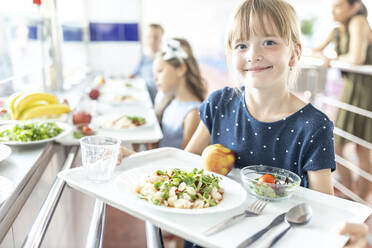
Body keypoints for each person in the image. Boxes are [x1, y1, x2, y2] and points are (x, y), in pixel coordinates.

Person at [312, 0, 372, 200]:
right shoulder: (338, 30)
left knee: (362, 149)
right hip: (350, 91)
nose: (333, 10)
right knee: (337, 146)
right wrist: (324, 57)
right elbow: (315, 50)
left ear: (354, 7)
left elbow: (356, 58)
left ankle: (362, 200)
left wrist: (331, 59)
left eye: (339, 5)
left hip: (366, 92)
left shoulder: (359, 21)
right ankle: (350, 193)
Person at [153, 38, 206, 149]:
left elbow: (183, 161)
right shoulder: (169, 102)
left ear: (181, 69)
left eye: (160, 71)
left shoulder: (193, 114)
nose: (155, 79)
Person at [130, 24, 164, 103]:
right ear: (144, 39)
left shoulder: (165, 60)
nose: (152, 40)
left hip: (160, 103)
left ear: (161, 39)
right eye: (149, 37)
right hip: (146, 100)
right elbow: (131, 76)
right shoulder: (143, 59)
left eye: (156, 37)